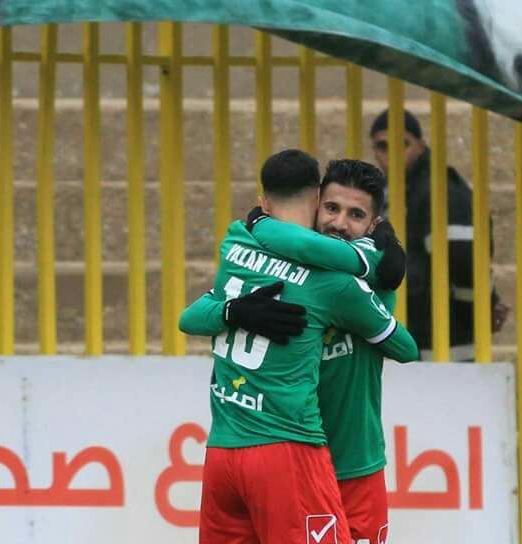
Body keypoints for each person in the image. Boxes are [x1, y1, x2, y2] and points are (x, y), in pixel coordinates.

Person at [179, 149, 418, 543]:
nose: (339, 223)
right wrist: (234, 310)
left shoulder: (355, 280)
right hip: (295, 455)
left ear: (372, 224)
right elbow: (192, 316)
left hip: (353, 465)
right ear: (315, 202)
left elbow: (406, 348)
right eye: (332, 208)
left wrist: (259, 222)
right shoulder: (299, 271)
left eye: (356, 215)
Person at [370, 109, 510, 361]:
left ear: (421, 146)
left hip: (446, 342)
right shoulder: (390, 192)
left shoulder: (439, 190)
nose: (391, 154)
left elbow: (466, 260)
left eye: (402, 144)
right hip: (414, 338)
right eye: (382, 146)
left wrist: (480, 310)